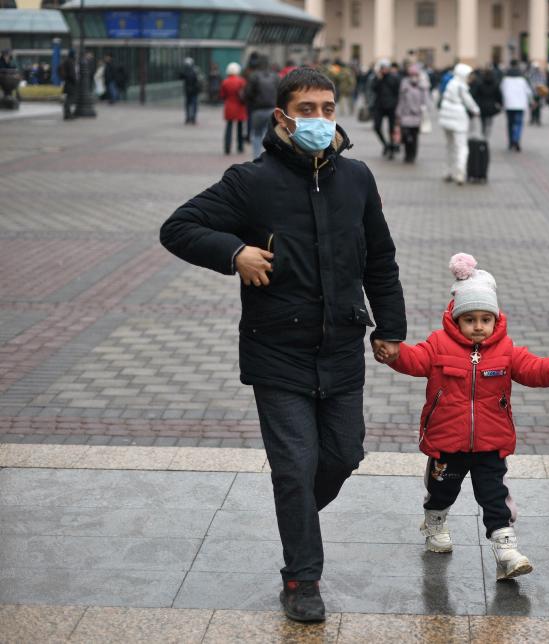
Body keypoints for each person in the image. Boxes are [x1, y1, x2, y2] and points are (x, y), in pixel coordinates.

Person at [160, 67, 406, 622]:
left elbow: (381, 259)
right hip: (277, 348)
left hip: (341, 344)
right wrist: (234, 253)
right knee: (294, 465)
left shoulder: (358, 178)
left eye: (327, 107)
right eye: (307, 109)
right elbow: (178, 227)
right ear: (283, 117)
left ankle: (295, 514)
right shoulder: (251, 181)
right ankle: (302, 577)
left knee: (343, 455)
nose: (319, 118)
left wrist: (390, 329)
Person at [381, 253, 549, 579]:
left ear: (496, 319)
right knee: (442, 491)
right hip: (447, 443)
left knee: (494, 496)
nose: (478, 326)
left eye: (486, 319)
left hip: (489, 443)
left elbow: (533, 367)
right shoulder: (438, 344)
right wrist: (396, 355)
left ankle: (505, 549)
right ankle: (435, 521)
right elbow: (415, 360)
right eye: (470, 319)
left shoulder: (505, 349)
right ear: (456, 319)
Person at [438, 63, 480, 185]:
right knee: (461, 147)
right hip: (458, 120)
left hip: (446, 120)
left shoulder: (450, 84)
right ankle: (460, 174)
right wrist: (476, 110)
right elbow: (469, 102)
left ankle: (447, 171)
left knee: (449, 146)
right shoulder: (462, 86)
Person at [395, 63, 430, 163]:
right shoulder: (404, 84)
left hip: (417, 116)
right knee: (406, 136)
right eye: (412, 75)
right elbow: (401, 100)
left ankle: (413, 155)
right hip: (406, 115)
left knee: (414, 137)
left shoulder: (423, 86)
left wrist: (423, 110)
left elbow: (426, 101)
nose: (414, 77)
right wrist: (398, 114)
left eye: (416, 75)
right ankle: (407, 154)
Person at [247, 59, 280, 158]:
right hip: (272, 109)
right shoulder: (275, 76)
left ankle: (256, 157)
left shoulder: (254, 76)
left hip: (257, 110)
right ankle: (269, 157)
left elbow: (248, 93)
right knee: (269, 134)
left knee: (256, 134)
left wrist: (251, 103)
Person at [371, 60, 401, 159]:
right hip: (379, 106)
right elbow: (373, 88)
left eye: (385, 67)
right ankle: (386, 144)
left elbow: (398, 92)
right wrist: (378, 79)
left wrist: (397, 105)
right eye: (382, 68)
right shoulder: (377, 77)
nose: (384, 70)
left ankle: (392, 148)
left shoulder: (394, 78)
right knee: (376, 127)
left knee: (391, 129)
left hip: (391, 107)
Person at [500, 61, 533, 151]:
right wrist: (531, 101)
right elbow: (529, 92)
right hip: (520, 105)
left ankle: (511, 141)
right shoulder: (522, 80)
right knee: (518, 123)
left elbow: (501, 91)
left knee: (510, 124)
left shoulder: (505, 80)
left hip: (509, 104)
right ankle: (516, 139)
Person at [218, 62, 247, 154]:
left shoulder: (225, 81)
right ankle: (240, 147)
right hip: (240, 106)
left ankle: (227, 147)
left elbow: (222, 95)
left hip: (229, 106)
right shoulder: (242, 81)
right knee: (240, 127)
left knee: (229, 127)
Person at [470, 68, 503, 140]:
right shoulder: (495, 84)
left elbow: (475, 94)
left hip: (482, 106)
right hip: (491, 106)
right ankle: (486, 136)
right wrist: (500, 104)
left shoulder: (480, 83)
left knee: (483, 122)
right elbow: (499, 96)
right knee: (489, 122)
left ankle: (483, 134)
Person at [180, 57, 202, 125]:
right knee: (191, 105)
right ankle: (190, 118)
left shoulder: (195, 70)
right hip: (191, 91)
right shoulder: (189, 71)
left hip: (192, 91)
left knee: (190, 105)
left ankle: (191, 118)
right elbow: (180, 77)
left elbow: (199, 79)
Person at [59, 49, 78, 120]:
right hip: (70, 83)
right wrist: (75, 81)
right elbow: (72, 73)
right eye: (75, 54)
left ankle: (67, 114)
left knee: (68, 99)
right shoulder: (70, 62)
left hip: (67, 82)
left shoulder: (67, 61)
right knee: (70, 99)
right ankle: (68, 114)